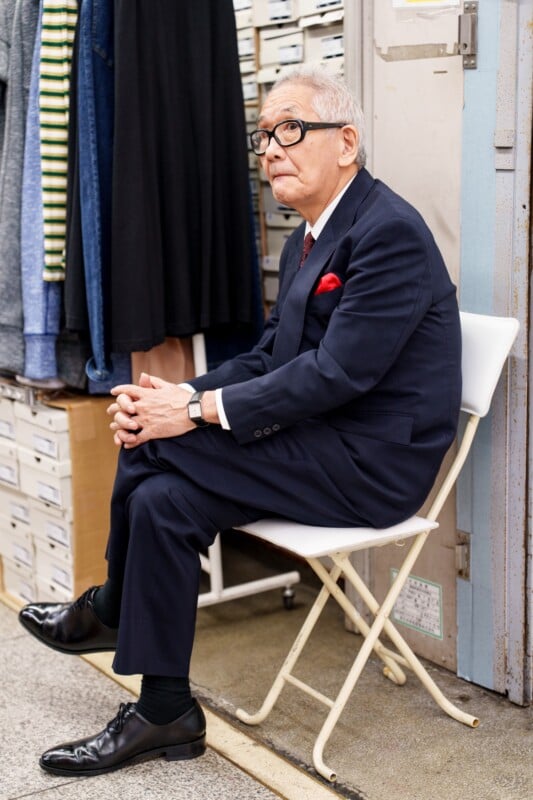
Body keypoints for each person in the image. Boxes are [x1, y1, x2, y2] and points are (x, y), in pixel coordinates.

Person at [18, 65, 462, 777]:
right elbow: (267, 358)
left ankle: (109, 606)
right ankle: (167, 710)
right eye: (262, 136)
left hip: (371, 466)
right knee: (162, 494)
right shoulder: (306, 238)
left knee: (159, 446)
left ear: (345, 142)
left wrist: (187, 410)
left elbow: (337, 373)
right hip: (316, 441)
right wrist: (181, 394)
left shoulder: (388, 234)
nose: (271, 148)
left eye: (290, 129)